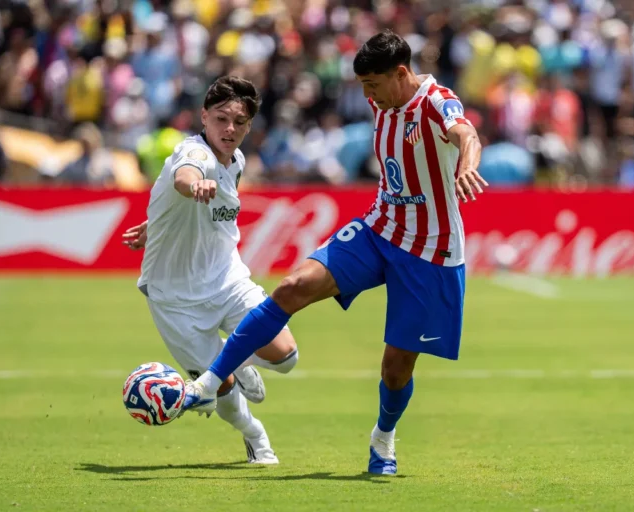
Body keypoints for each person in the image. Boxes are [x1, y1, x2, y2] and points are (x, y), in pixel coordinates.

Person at [182, 31, 488, 475]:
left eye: (372, 85)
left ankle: (383, 437)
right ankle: (209, 383)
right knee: (292, 286)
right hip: (379, 228)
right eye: (362, 86)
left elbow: (466, 133)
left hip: (430, 250)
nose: (367, 95)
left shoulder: (437, 101)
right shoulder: (380, 100)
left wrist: (467, 163)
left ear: (401, 74)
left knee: (395, 368)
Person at [121, 75, 299, 464]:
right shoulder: (193, 154)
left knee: (286, 356)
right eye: (221, 119)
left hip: (226, 278)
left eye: (239, 121)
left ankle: (232, 358)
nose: (229, 128)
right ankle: (255, 435)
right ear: (204, 117)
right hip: (176, 300)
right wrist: (194, 186)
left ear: (249, 126)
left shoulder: (235, 161)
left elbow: (179, 204)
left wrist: (155, 224)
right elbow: (186, 177)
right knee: (224, 389)